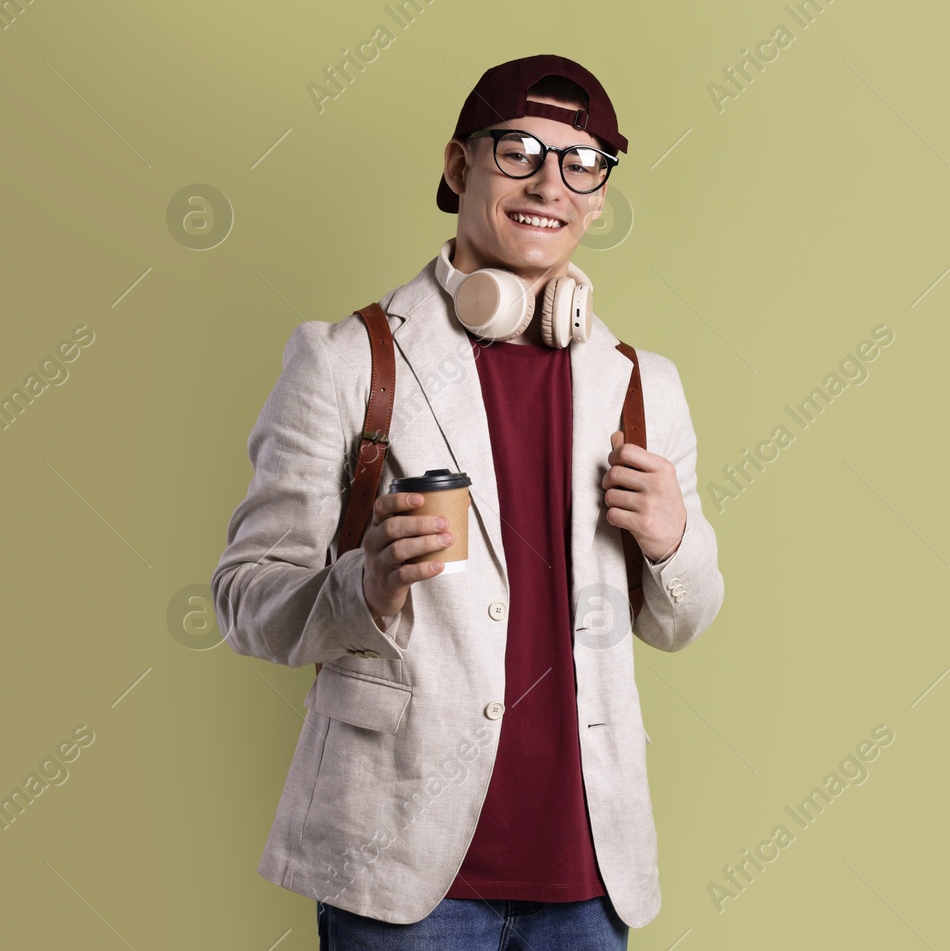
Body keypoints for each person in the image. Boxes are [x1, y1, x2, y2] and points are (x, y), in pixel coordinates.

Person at [211, 54, 725, 950]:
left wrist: (674, 542)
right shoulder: (346, 361)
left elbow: (681, 623)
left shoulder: (643, 385)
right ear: (459, 168)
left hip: (589, 875)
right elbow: (246, 601)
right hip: (399, 869)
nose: (550, 183)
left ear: (600, 195)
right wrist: (361, 587)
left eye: (581, 161)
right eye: (519, 150)